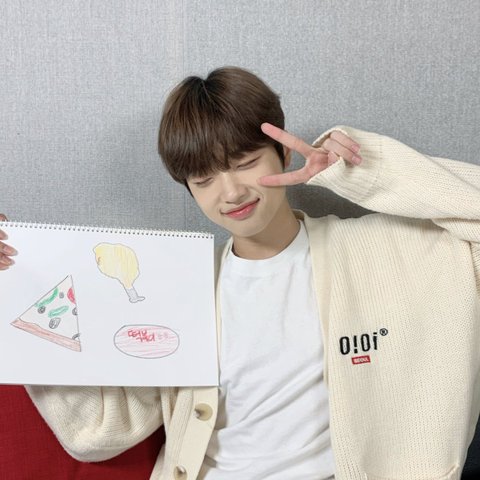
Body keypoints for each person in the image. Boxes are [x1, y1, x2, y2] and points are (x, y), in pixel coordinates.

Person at [0, 66, 479, 480]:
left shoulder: (385, 255)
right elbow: (96, 434)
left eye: (246, 163)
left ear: (284, 154)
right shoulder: (178, 286)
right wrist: (12, 288)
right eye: (204, 179)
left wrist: (365, 172)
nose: (230, 193)